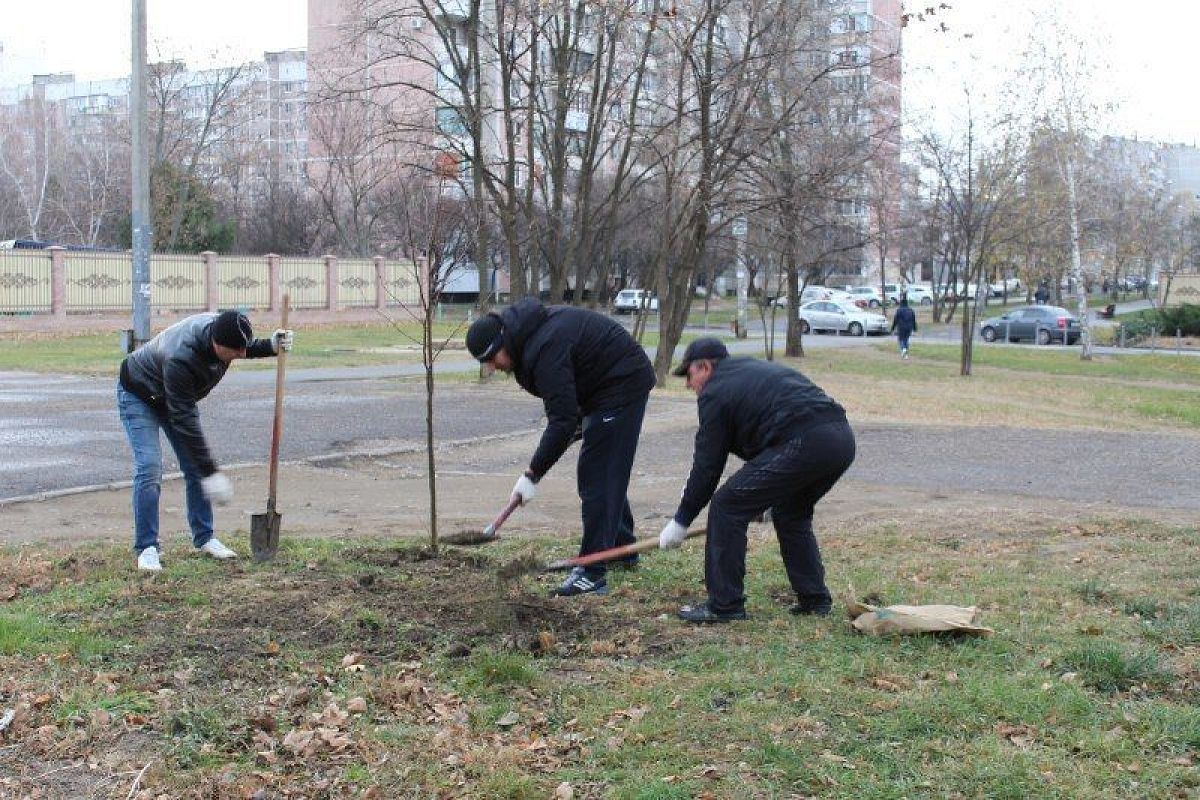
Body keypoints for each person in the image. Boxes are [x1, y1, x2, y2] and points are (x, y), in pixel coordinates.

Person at [465, 297, 656, 597]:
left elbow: (561, 421)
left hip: (622, 383)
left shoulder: (544, 348)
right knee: (604, 471)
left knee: (597, 475)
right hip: (598, 389)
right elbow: (564, 407)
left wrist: (532, 474)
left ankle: (593, 571)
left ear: (502, 342)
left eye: (491, 359)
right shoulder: (528, 342)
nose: (492, 367)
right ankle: (621, 547)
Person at [659, 338, 856, 623]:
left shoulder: (715, 391)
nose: (689, 385)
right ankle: (814, 600)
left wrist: (680, 521)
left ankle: (725, 606)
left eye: (689, 375)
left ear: (704, 367)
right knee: (791, 513)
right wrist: (764, 496)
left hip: (803, 440)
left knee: (727, 506)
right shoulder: (750, 370)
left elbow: (708, 466)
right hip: (840, 439)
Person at [117, 310, 293, 571]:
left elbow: (242, 345)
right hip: (140, 394)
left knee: (194, 466)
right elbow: (185, 421)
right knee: (150, 467)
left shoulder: (226, 328)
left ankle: (204, 538)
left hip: (175, 396)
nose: (241, 355)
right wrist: (212, 473)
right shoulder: (181, 357)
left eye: (242, 348)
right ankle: (147, 547)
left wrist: (270, 345)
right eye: (235, 352)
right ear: (216, 345)